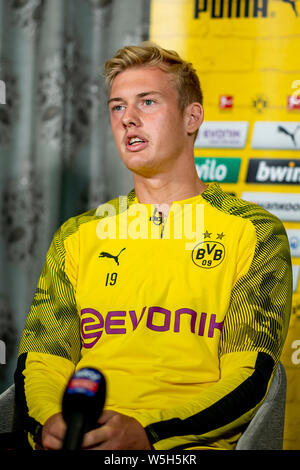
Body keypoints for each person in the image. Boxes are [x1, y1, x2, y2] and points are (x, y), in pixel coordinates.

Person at [14, 42, 292, 451]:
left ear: (191, 117)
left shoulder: (253, 231)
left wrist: (150, 434)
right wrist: (49, 424)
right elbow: (42, 360)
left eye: (147, 102)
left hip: (180, 448)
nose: (128, 119)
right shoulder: (78, 235)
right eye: (117, 107)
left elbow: (250, 375)